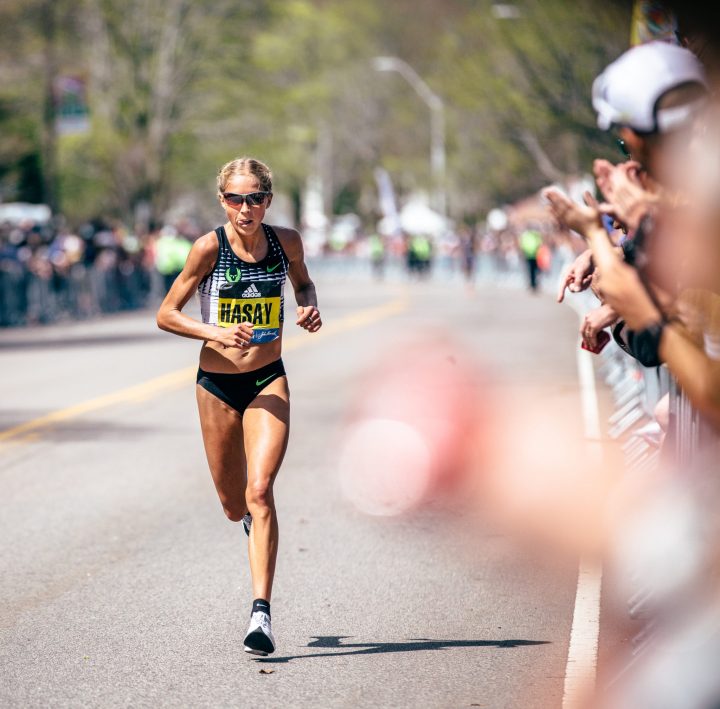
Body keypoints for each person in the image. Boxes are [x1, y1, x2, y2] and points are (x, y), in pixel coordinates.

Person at [156, 157, 322, 656]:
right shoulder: (208, 248)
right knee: (234, 506)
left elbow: (304, 284)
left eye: (254, 198)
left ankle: (261, 615)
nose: (245, 208)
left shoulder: (285, 242)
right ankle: (248, 520)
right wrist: (215, 331)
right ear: (222, 200)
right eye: (235, 198)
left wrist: (308, 306)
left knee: (261, 489)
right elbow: (166, 313)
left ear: (268, 200)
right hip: (217, 386)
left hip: (269, 378)